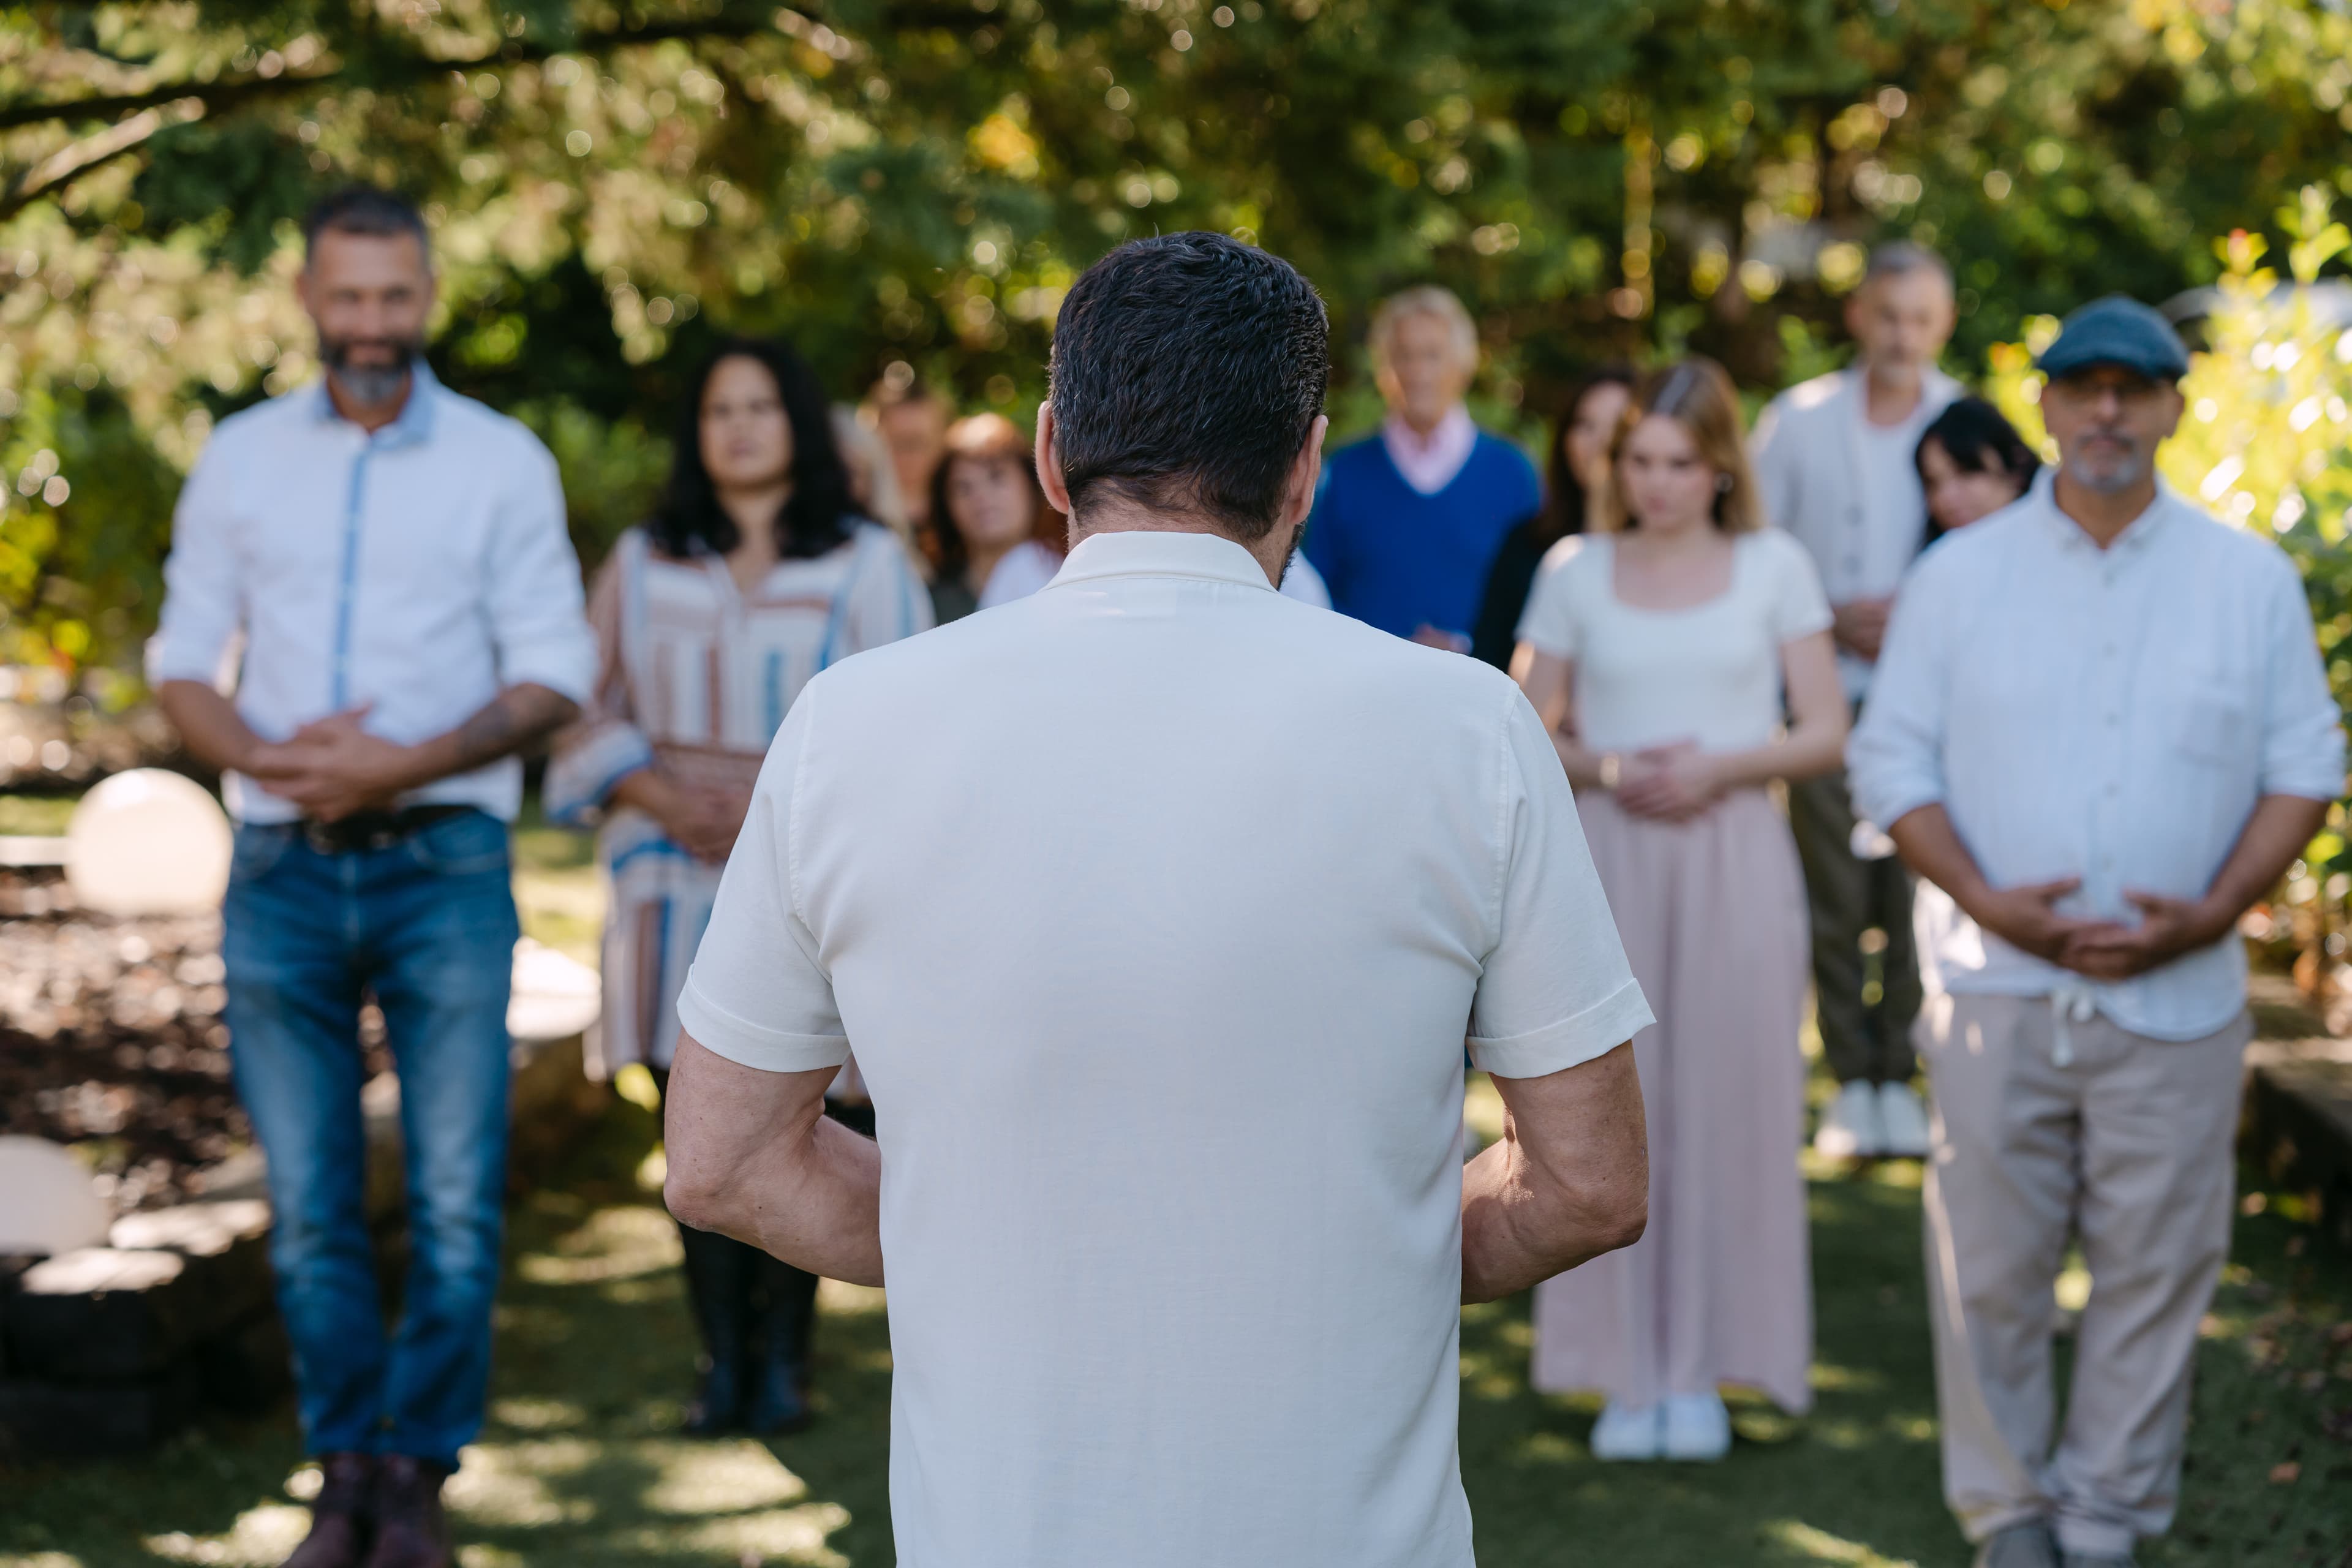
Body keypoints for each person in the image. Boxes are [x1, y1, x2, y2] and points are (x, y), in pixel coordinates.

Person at [662, 232, 1654, 1568]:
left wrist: (1003, 1242)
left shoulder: (852, 724)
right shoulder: (1469, 727)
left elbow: (724, 1158)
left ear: (1052, 451)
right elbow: (1588, 1182)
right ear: (1306, 463)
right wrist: (1361, 1246)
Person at [1849, 297, 2344, 1568]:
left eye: (2136, 386)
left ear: (2175, 404)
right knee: (1993, 1270)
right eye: (2084, 387)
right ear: (2051, 406)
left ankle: (2106, 1513)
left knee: (2159, 1266)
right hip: (1992, 982)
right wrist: (1989, 898)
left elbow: (2304, 765)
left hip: (2180, 1004)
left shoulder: (2249, 578)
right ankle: (2011, 1509)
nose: (2109, 410)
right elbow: (1891, 761)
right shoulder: (1959, 576)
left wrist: (2221, 911)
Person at [147, 186, 597, 1568]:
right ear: (305, 297)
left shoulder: (502, 460)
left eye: (394, 298)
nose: (369, 327)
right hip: (280, 864)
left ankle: (418, 1477)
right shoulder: (236, 459)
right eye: (346, 299)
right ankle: (345, 1468)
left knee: (459, 1199)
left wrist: (396, 766)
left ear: (429, 294)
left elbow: (554, 673)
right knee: (309, 1203)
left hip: (444, 865)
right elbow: (179, 661)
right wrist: (285, 764)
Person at [544, 337, 930, 1439]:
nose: (741, 427)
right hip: (672, 859)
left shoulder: (863, 560)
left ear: (798, 425)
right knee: (697, 1106)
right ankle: (721, 1362)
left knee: (813, 1103)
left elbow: (898, 716)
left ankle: (786, 1362)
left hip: (812, 868)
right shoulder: (645, 556)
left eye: (762, 405)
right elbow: (584, 697)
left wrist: (773, 810)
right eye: (720, 409)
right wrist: (664, 798)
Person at [1514, 358, 1848, 1463]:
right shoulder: (1573, 568)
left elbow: (1825, 730)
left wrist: (1718, 769)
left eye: (1678, 464)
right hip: (1608, 866)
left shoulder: (1774, 566)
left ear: (1719, 469)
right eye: (1639, 462)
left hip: (1737, 855)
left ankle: (1706, 1366)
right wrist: (1611, 769)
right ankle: (1625, 1373)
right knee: (1609, 1110)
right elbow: (1526, 728)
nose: (1655, 484)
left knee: (1735, 1104)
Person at [1751, 242, 1961, 1161]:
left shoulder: (1964, 419)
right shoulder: (1797, 422)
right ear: (1857, 317)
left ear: (1942, 324)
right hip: (1824, 699)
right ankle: (1848, 1081)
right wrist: (1829, 618)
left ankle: (1902, 1077)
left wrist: (1911, 618)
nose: (1902, 335)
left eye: (1920, 318)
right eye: (1887, 315)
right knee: (1833, 899)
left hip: (1937, 709)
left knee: (1920, 894)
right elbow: (1756, 553)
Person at [1303, 285, 1540, 648]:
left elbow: (1536, 603)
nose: (1417, 372)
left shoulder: (1512, 473)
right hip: (1364, 691)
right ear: (1383, 367)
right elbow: (1313, 596)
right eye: (1403, 355)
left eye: (1433, 355)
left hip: (1482, 693)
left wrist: (1467, 646)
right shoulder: (1341, 473)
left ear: (1464, 364)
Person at [1470, 365, 1637, 668]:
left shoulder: (1669, 551)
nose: (1602, 442)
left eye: (1618, 426)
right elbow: (1488, 659)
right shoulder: (1527, 546)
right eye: (1585, 425)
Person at [919, 412, 1065, 622]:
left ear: (1034, 484)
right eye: (963, 487)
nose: (981, 497)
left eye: (996, 477)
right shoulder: (929, 600)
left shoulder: (1070, 576)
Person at [1917, 396, 2042, 543]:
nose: (1946, 498)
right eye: (1932, 483)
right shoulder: (1933, 563)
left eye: (1965, 472)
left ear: (2017, 465)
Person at [864, 366, 951, 531]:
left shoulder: (960, 514)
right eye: (896, 443)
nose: (907, 456)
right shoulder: (859, 512)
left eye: (917, 442)